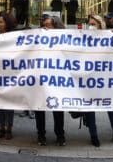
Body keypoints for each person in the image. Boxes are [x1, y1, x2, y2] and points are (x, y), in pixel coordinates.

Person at [81, 14, 113, 147]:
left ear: (100, 25)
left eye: (94, 24)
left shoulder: (108, 36)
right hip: (89, 79)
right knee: (90, 108)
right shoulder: (83, 37)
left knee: (111, 106)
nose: (91, 27)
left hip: (105, 78)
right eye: (89, 24)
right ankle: (94, 135)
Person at [35, 15, 66, 146]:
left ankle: (60, 135)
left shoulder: (64, 41)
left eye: (48, 25)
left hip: (56, 80)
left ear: (56, 27)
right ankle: (41, 135)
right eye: (44, 25)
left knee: (58, 108)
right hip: (40, 79)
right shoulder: (37, 39)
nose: (45, 27)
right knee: (39, 108)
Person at [0, 11, 18, 139]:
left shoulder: (13, 37)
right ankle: (1, 127)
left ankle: (9, 128)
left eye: (1, 22)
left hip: (10, 75)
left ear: (7, 24)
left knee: (9, 102)